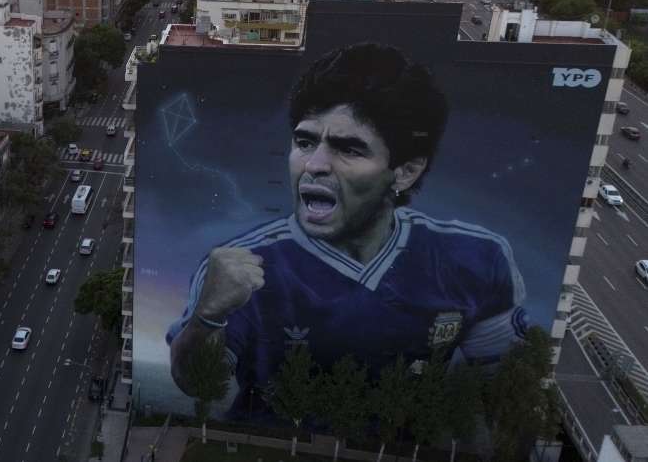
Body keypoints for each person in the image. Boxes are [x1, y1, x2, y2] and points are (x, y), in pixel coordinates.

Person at [166, 43, 526, 419]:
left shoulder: (475, 260)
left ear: (406, 171)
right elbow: (196, 384)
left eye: (349, 150)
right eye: (305, 142)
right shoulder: (240, 267)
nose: (315, 165)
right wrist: (208, 316)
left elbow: (502, 389)